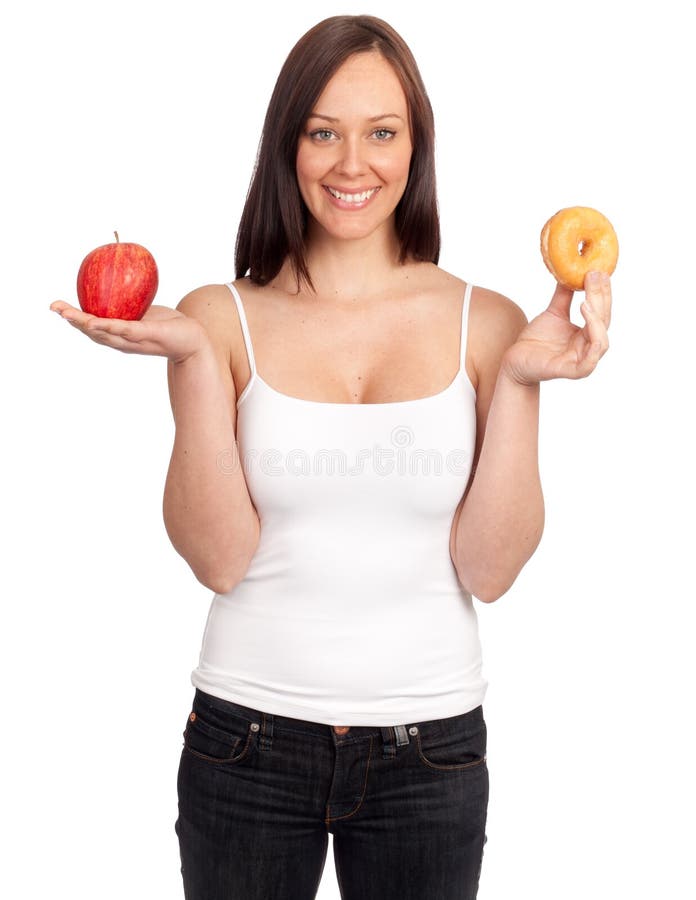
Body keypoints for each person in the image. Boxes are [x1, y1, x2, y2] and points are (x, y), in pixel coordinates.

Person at [49, 14, 611, 900]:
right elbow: (218, 558)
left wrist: (522, 381)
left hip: (431, 752)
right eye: (324, 132)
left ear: (415, 148)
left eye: (381, 133)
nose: (354, 165)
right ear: (289, 145)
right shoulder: (216, 318)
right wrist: (195, 360)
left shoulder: (490, 323)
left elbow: (490, 570)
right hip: (246, 745)